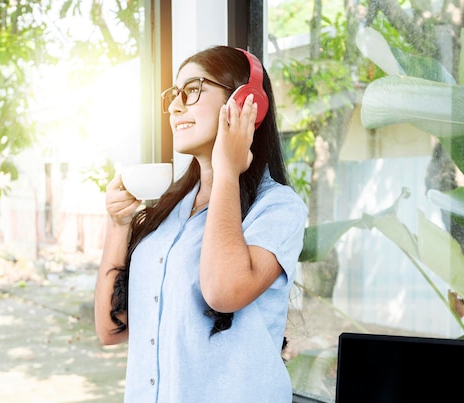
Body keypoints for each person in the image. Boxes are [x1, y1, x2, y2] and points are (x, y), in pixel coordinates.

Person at [94, 45, 307, 402]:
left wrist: (226, 171)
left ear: (245, 101)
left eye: (192, 90)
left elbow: (223, 292)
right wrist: (118, 225)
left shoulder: (278, 208)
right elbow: (110, 330)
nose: (176, 106)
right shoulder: (167, 209)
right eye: (174, 95)